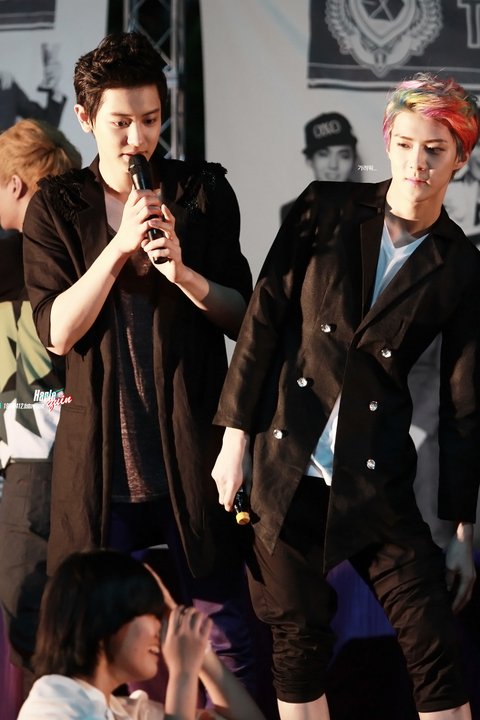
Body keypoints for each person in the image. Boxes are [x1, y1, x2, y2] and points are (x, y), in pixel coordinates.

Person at [212, 73, 480, 720]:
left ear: (461, 159)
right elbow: (262, 322)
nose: (417, 162)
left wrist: (462, 529)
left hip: (375, 477)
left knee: (435, 645)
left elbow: (463, 403)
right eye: (406, 144)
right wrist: (233, 442)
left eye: (435, 149)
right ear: (387, 141)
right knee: (297, 641)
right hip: (284, 466)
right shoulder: (324, 207)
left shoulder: (461, 264)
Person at [22, 31, 255, 697]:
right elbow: (56, 333)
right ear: (85, 117)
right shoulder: (57, 206)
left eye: (150, 121)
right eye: (120, 123)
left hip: (191, 459)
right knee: (90, 649)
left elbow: (244, 318)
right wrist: (119, 246)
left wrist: (183, 274)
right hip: (101, 471)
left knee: (224, 637)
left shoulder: (202, 192)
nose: (137, 140)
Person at [0, 119, 81, 677]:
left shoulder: (19, 255)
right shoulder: (85, 252)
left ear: (15, 184)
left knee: (31, 616)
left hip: (38, 454)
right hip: (65, 449)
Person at [17, 549, 266, 720]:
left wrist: (200, 652)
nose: (161, 628)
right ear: (108, 618)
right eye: (152, 614)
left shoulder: (123, 711)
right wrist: (183, 673)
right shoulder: (51, 706)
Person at [280, 111, 358, 221]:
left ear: (354, 160)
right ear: (309, 160)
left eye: (343, 155)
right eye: (323, 154)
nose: (333, 165)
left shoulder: (374, 207)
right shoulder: (292, 211)